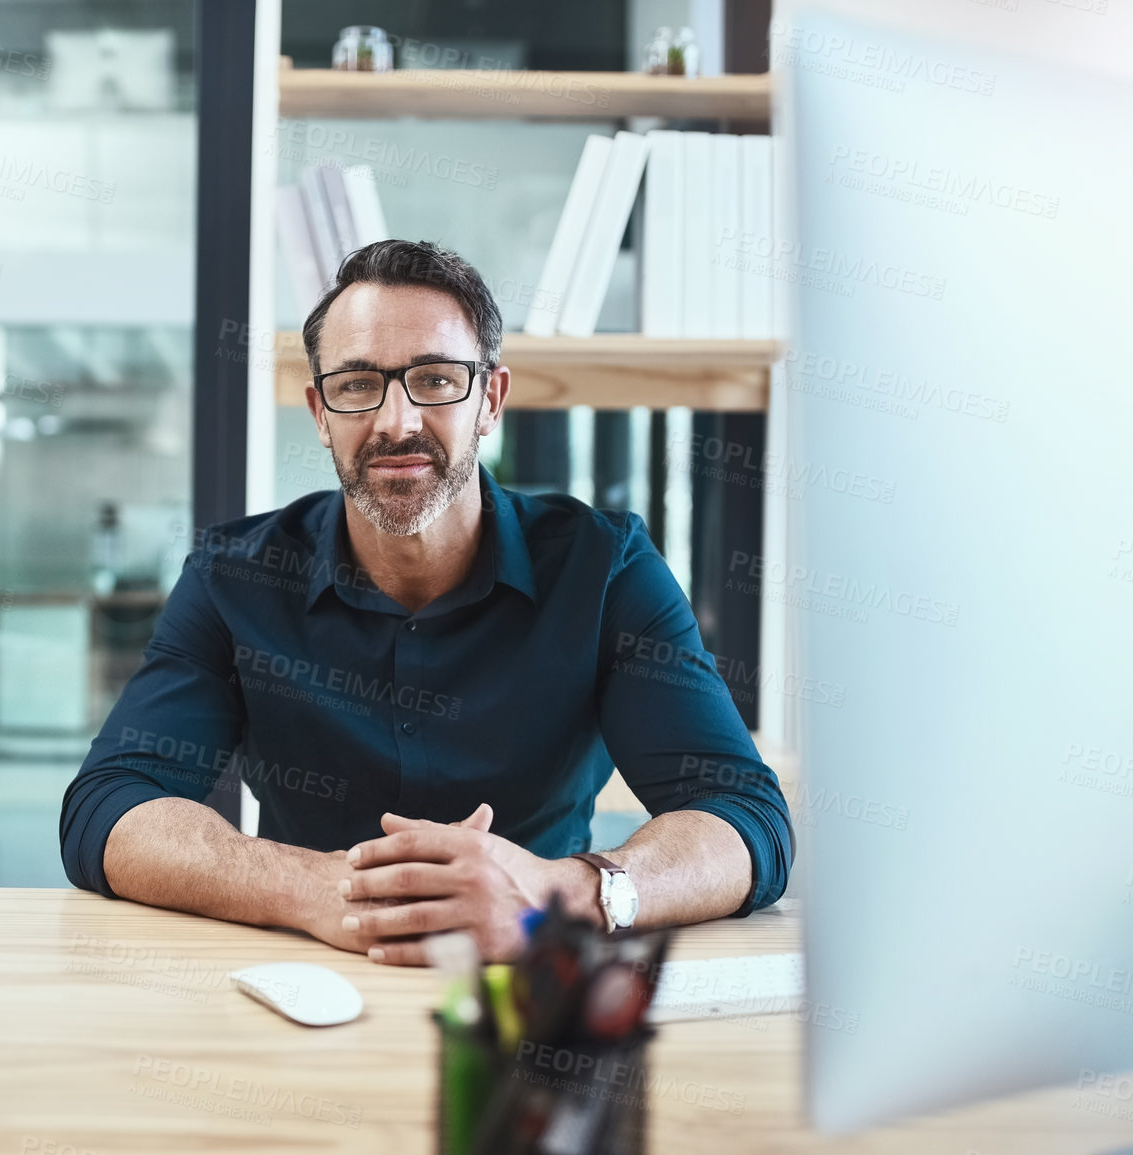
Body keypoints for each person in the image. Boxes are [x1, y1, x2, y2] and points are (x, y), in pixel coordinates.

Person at [59, 240, 792, 964]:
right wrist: (315, 886)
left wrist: (555, 893)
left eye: (435, 380)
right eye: (355, 384)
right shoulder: (234, 577)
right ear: (320, 411)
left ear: (489, 399)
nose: (396, 421)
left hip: (534, 981)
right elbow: (109, 805)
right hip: (308, 976)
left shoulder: (605, 569)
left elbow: (745, 817)